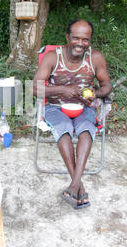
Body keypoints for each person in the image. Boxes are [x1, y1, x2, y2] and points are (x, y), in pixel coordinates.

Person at [32, 19, 112, 209]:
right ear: (67, 37)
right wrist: (62, 90)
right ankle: (79, 185)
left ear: (90, 40)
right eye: (75, 38)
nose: (80, 43)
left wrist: (96, 94)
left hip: (85, 107)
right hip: (55, 107)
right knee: (65, 129)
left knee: (86, 130)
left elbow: (106, 85)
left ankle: (74, 185)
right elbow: (34, 88)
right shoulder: (52, 57)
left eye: (85, 39)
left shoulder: (96, 58)